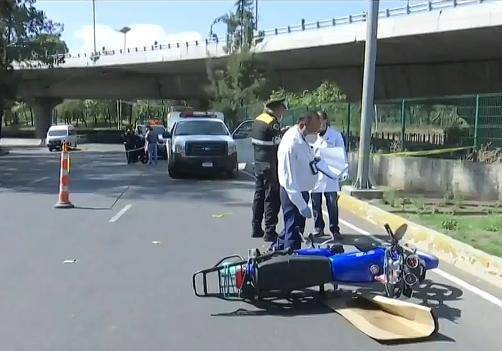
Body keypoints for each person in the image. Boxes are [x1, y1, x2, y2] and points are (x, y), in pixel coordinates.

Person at [273, 112, 321, 251]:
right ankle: (291, 263)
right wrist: (301, 205)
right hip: (293, 194)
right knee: (293, 233)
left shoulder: (301, 136)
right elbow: (288, 181)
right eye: (314, 130)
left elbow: (302, 158)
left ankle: (276, 250)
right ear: (302, 125)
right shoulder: (291, 145)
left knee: (293, 227)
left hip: (302, 191)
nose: (316, 134)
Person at [250, 97, 287, 242]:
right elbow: (278, 142)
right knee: (271, 197)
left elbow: (266, 137)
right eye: (282, 109)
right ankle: (270, 231)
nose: (282, 112)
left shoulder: (258, 119)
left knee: (259, 195)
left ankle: (256, 227)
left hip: (258, 163)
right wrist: (283, 133)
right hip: (270, 164)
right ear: (276, 109)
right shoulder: (273, 123)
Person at [310, 111, 347, 241]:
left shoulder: (335, 136)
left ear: (325, 121)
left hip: (331, 176)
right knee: (316, 203)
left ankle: (334, 229)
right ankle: (318, 228)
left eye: (320, 120)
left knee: (332, 203)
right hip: (316, 176)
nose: (318, 124)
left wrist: (344, 171)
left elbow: (341, 154)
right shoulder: (311, 136)